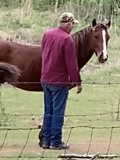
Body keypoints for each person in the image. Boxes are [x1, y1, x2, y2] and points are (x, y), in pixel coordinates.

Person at [40, 12, 82, 150]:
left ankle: (45, 140)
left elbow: (43, 53)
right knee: (58, 112)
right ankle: (55, 141)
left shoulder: (47, 34)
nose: (72, 27)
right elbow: (71, 64)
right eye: (72, 25)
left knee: (48, 111)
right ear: (68, 24)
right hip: (59, 81)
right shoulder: (67, 39)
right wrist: (77, 81)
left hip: (45, 78)